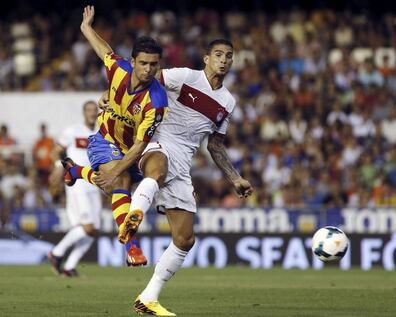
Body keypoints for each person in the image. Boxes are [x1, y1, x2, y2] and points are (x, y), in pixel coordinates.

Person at [95, 39, 253, 316]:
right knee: (157, 169)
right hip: (155, 140)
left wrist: (235, 178)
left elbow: (214, 146)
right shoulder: (185, 76)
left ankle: (148, 298)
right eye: (218, 54)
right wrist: (112, 97)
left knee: (185, 239)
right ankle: (134, 217)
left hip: (184, 159)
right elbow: (142, 77)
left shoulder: (228, 102)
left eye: (229, 56)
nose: (224, 60)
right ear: (206, 58)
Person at [62, 5, 168, 266]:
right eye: (143, 63)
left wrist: (113, 171)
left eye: (154, 65)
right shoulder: (119, 70)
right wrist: (86, 27)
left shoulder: (156, 102)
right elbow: (104, 51)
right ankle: (132, 247)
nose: (148, 69)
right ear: (132, 62)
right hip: (105, 139)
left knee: (118, 184)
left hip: (134, 149)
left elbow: (141, 144)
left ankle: (76, 172)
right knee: (118, 182)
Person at [47, 101, 101, 277]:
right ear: (84, 113)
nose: (93, 113)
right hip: (77, 181)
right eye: (89, 110)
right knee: (87, 227)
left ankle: (69, 267)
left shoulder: (102, 132)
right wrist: (58, 165)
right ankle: (56, 253)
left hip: (95, 183)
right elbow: (55, 152)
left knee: (94, 230)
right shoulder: (73, 130)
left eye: (95, 110)